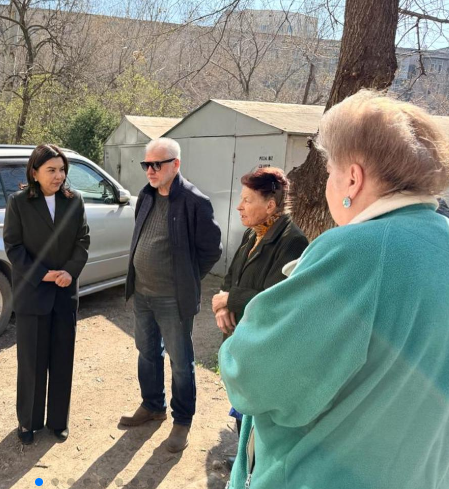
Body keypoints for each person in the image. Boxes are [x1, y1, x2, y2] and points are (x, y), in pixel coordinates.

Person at [220, 90, 449, 489]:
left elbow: (253, 375)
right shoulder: (440, 239)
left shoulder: (359, 250)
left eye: (330, 171)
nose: (328, 182)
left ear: (353, 179)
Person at [120, 137, 222, 453]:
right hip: (142, 293)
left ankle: (182, 421)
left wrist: (186, 279)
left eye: (157, 164)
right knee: (147, 352)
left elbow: (212, 250)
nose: (150, 170)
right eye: (146, 164)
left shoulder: (195, 201)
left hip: (172, 299)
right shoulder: (146, 196)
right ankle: (152, 406)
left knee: (180, 361)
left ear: (175, 165)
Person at [4, 144, 90, 445]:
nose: (58, 176)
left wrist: (70, 271)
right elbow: (13, 246)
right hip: (33, 293)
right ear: (34, 172)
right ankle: (28, 422)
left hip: (65, 293)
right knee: (32, 362)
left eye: (62, 170)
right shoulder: (18, 202)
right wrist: (40, 274)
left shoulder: (74, 200)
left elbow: (83, 240)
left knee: (62, 360)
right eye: (51, 170)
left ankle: (58, 421)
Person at [211, 167, 308, 437]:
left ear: (270, 206)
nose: (239, 207)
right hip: (240, 340)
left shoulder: (292, 242)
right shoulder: (253, 233)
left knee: (258, 422)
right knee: (242, 411)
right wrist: (222, 306)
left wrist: (230, 299)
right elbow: (231, 276)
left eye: (247, 200)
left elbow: (276, 302)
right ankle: (242, 457)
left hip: (261, 348)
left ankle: (250, 463)